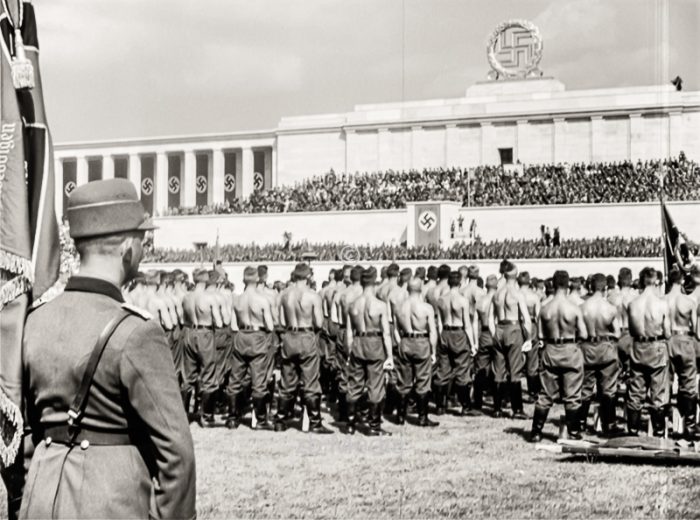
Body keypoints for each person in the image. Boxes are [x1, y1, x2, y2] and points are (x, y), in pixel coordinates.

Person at [20, 179, 196, 518]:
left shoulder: (36, 321)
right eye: (143, 240)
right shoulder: (137, 331)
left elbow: (29, 432)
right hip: (111, 502)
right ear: (128, 247)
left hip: (41, 497)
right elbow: (177, 454)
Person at [275, 263, 333, 434]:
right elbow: (319, 322)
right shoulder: (313, 296)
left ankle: (280, 420)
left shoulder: (285, 294)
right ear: (308, 277)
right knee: (310, 381)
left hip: (289, 336)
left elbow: (282, 321)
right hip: (306, 335)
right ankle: (315, 422)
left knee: (287, 379)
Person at [530, 270, 587, 442]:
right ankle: (574, 432)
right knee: (573, 395)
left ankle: (536, 432)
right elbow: (583, 334)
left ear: (553, 285)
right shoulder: (574, 308)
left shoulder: (545, 309)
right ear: (568, 285)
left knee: (545, 395)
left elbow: (540, 335)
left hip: (551, 349)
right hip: (570, 349)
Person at [346, 267, 394, 436]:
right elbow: (386, 333)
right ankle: (373, 426)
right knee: (375, 385)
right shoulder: (380, 305)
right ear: (375, 282)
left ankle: (350, 424)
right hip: (374, 342)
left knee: (354, 384)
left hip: (358, 342)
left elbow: (349, 332)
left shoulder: (353, 305)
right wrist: (389, 356)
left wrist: (349, 351)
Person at [228, 266, 275, 430]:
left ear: (243, 280)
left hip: (241, 336)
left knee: (235, 378)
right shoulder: (262, 300)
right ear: (257, 279)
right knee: (259, 380)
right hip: (257, 336)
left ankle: (232, 417)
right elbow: (269, 325)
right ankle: (260, 419)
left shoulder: (237, 300)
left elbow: (233, 325)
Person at [626, 267, 671, 436]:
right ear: (656, 281)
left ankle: (632, 431)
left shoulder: (633, 304)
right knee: (657, 392)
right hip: (656, 345)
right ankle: (658, 433)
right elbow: (667, 333)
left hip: (638, 346)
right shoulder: (662, 304)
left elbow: (631, 330)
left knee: (635, 392)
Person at [578, 273, 622, 436]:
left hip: (587, 348)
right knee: (608, 389)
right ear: (605, 289)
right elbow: (617, 333)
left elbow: (580, 332)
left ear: (590, 287)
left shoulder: (582, 307)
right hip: (605, 349)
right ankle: (609, 424)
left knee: (585, 388)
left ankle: (580, 423)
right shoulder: (610, 308)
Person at [393, 278, 439, 427]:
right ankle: (422, 418)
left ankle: (400, 417)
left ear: (408, 289)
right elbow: (432, 331)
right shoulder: (426, 308)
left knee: (403, 381)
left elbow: (395, 330)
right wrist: (433, 352)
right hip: (421, 341)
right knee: (423, 381)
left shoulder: (399, 307)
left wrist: (401, 343)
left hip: (405, 341)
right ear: (420, 289)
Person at [488, 260, 530, 419]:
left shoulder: (497, 293)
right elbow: (526, 318)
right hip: (513, 328)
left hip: (499, 328)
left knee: (498, 371)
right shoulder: (517, 293)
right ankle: (517, 409)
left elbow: (490, 318)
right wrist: (528, 338)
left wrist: (494, 334)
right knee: (515, 371)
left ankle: (497, 408)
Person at [182, 268, 224, 426]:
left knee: (188, 376)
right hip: (205, 333)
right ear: (206, 280)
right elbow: (219, 322)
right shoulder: (209, 297)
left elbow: (182, 318)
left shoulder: (187, 297)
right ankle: (207, 416)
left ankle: (183, 415)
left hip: (188, 332)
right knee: (208, 375)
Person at [435, 271, 476, 415]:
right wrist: (472, 344)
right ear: (460, 283)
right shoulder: (463, 300)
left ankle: (440, 406)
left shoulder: (441, 299)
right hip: (459, 332)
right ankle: (466, 406)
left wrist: (441, 339)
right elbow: (467, 325)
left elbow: (439, 323)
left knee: (443, 370)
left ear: (448, 283)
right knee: (462, 370)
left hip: (445, 332)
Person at [664, 267, 698, 439]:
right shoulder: (689, 302)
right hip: (685, 338)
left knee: (665, 382)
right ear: (682, 281)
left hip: (668, 340)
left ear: (668, 281)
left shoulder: (662, 300)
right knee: (688, 383)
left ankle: (666, 423)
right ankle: (690, 425)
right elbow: (695, 328)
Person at [331, 265, 363, 422]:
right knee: (361, 371)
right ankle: (358, 410)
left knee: (343, 370)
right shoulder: (363, 294)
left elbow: (335, 318)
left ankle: (343, 411)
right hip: (359, 333)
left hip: (343, 330)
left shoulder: (341, 295)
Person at [473, 275, 498, 412]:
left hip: (484, 333)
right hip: (497, 333)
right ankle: (497, 404)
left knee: (480, 369)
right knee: (499, 368)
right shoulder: (499, 299)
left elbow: (474, 322)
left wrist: (475, 341)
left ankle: (477, 402)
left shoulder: (481, 301)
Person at [519, 272, 541, 401]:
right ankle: (533, 392)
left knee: (516, 358)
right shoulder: (534, 297)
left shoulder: (516, 295)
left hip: (518, 325)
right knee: (532, 361)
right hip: (532, 326)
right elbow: (538, 317)